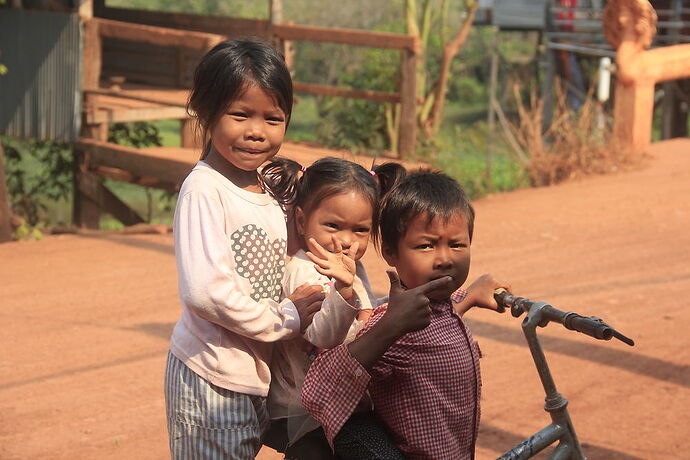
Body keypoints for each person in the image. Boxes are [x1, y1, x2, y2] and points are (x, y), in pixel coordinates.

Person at [163, 38, 326, 459]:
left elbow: (295, 254)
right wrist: (285, 318)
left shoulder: (271, 189)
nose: (256, 131)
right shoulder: (204, 190)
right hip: (211, 376)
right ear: (206, 110)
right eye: (240, 115)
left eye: (273, 119)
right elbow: (206, 293)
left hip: (254, 373)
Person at [302, 169, 509, 459]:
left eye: (457, 244)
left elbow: (432, 323)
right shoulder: (391, 324)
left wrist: (470, 294)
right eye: (426, 245)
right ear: (390, 253)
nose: (445, 259)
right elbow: (318, 388)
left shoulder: (435, 307)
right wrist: (389, 328)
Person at [262, 157, 407, 459]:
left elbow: (363, 318)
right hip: (308, 410)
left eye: (360, 230)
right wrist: (344, 289)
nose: (344, 240)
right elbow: (323, 336)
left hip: (342, 398)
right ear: (301, 221)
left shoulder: (351, 267)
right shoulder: (303, 271)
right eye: (333, 225)